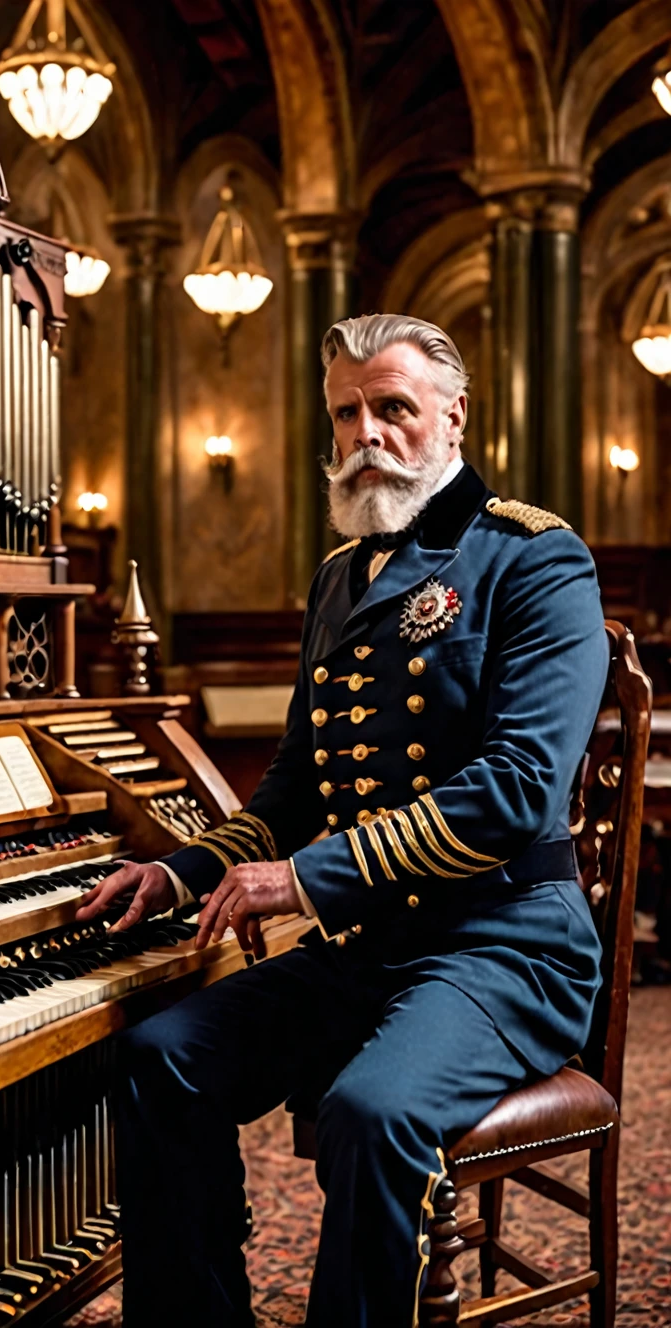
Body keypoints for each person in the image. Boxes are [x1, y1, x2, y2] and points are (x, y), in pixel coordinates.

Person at [76, 314, 608, 1327]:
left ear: (452, 415)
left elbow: (518, 790)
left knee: (372, 1114)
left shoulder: (532, 556)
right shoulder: (338, 575)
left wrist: (304, 878)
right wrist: (183, 872)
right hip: (367, 948)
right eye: (344, 412)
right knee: (158, 1056)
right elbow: (293, 786)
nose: (365, 432)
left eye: (392, 407)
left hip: (502, 947)